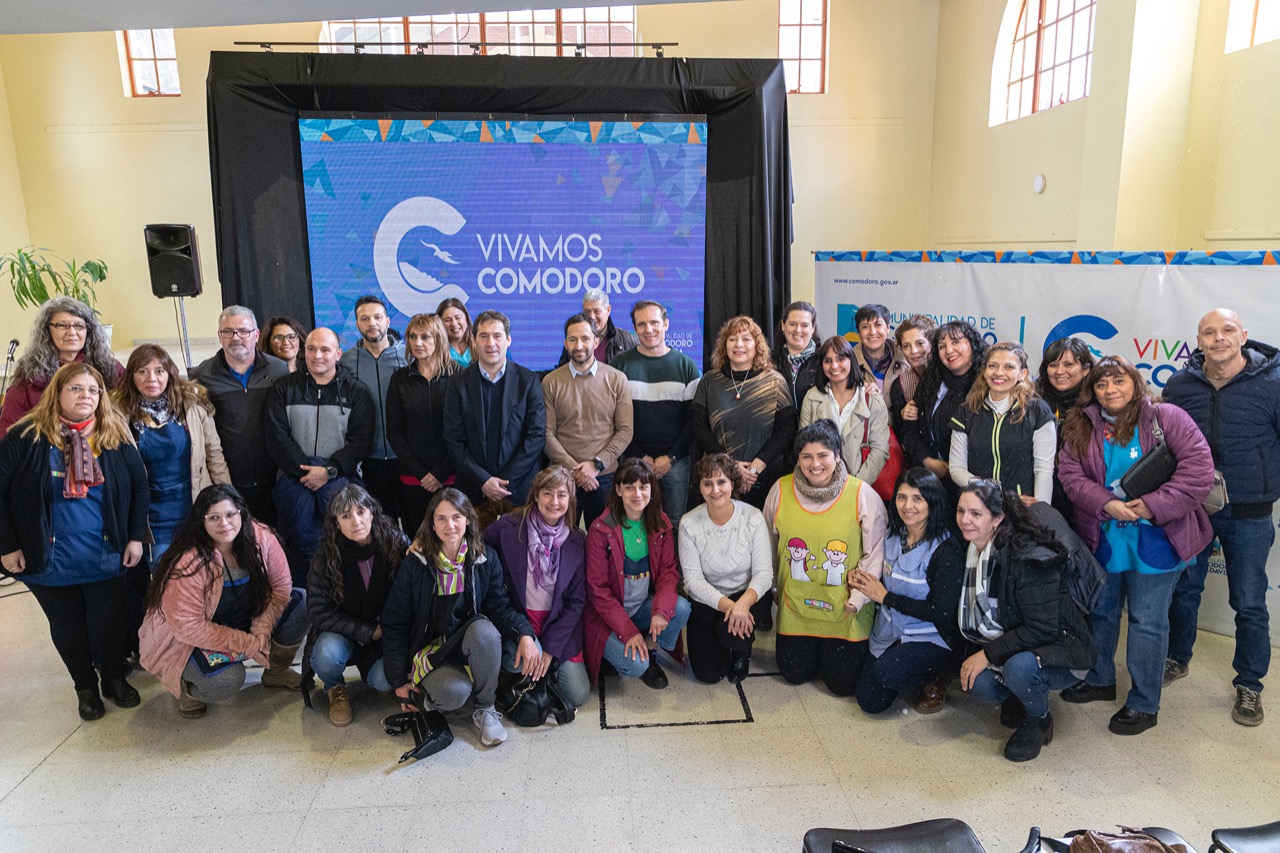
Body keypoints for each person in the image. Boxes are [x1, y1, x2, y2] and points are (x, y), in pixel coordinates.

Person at [1056, 356, 1213, 735]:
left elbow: (1198, 471)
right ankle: (1100, 679)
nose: (1110, 390)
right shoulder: (1082, 424)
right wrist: (1105, 503)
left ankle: (1144, 703)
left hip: (1157, 539)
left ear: (1135, 383)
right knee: (1102, 613)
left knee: (1147, 621)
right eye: (1101, 384)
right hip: (1104, 537)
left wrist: (1152, 505)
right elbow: (1070, 474)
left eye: (1118, 381)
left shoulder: (1167, 418)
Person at [0, 362, 147, 720]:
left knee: (110, 622)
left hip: (105, 551)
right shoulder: (26, 437)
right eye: (76, 389)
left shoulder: (113, 435)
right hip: (46, 555)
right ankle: (85, 688)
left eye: (94, 390)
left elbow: (139, 486)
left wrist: (135, 538)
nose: (86, 396)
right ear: (57, 393)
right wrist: (7, 546)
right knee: (67, 625)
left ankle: (113, 678)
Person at [1163, 308, 1280, 727]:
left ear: (1243, 335)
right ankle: (1177, 657)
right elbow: (1166, 445)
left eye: (1227, 330)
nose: (1219, 338)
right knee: (1184, 590)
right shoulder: (1180, 386)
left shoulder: (1272, 383)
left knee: (1249, 602)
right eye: (1209, 332)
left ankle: (1250, 684)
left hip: (1250, 511)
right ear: (1198, 341)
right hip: (1192, 509)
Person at [382, 488, 538, 754]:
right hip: (432, 650)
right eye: (441, 518)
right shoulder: (416, 564)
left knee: (485, 632)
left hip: (469, 641)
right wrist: (398, 680)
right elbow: (395, 622)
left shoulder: (484, 558)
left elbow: (499, 607)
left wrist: (525, 633)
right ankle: (433, 693)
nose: (450, 525)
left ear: (468, 519)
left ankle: (486, 708)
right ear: (432, 524)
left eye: (456, 517)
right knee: (453, 695)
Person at [139, 484, 308, 718]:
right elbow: (189, 627)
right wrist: (247, 643)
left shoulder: (262, 537)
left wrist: (262, 628)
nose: (225, 523)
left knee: (302, 603)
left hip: (246, 620)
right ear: (201, 521)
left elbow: (280, 588)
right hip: (192, 641)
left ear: (241, 513)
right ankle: (186, 689)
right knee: (228, 680)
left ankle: (276, 672)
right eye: (214, 517)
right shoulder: (188, 561)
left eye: (230, 514)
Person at [953, 480, 1093, 762]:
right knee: (978, 683)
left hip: (1064, 650)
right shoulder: (974, 549)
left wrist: (987, 654)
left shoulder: (1028, 558)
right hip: (1023, 643)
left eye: (976, 513)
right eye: (961, 511)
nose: (965, 520)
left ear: (997, 519)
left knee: (1019, 669)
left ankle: (1038, 719)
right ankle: (1021, 695)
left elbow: (1042, 630)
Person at [763, 420, 887, 695]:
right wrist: (772, 587)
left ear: (837, 456)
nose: (815, 464)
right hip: (796, 609)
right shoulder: (780, 490)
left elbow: (875, 553)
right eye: (806, 456)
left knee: (842, 685)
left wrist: (858, 598)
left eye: (823, 455)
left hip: (846, 611)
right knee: (793, 673)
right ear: (798, 459)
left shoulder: (862, 495)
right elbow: (768, 546)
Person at [851, 467, 966, 714]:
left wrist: (886, 597)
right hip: (890, 629)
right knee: (869, 700)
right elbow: (874, 569)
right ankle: (902, 666)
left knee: (887, 673)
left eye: (917, 499)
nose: (907, 506)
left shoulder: (946, 549)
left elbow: (941, 613)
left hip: (930, 636)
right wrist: (857, 576)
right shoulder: (893, 534)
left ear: (932, 502)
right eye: (902, 497)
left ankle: (936, 676)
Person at [265, 327, 374, 583]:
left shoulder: (356, 392)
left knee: (344, 530)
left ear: (338, 354)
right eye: (311, 349)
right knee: (302, 534)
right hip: (294, 476)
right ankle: (320, 582)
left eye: (325, 350)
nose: (317, 356)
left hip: (339, 476)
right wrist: (307, 471)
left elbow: (360, 441)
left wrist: (328, 471)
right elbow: (276, 437)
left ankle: (345, 584)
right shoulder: (283, 388)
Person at [482, 466, 592, 707]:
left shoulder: (577, 539)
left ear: (570, 499)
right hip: (520, 621)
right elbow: (477, 545)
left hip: (557, 626)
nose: (554, 502)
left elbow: (576, 602)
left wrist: (550, 649)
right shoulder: (509, 526)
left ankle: (540, 671)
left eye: (561, 495)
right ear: (536, 495)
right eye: (547, 494)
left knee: (578, 694)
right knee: (521, 660)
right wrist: (424, 542)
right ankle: (521, 672)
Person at [114, 344, 231, 562]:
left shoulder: (193, 406)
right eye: (142, 371)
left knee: (204, 573)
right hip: (152, 522)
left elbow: (214, 455)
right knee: (165, 576)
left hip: (196, 511)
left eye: (159, 371)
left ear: (169, 374)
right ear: (131, 377)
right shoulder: (117, 415)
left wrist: (228, 500)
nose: (152, 378)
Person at [303, 484, 406, 726]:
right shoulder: (326, 555)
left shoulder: (395, 542)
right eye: (346, 516)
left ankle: (370, 669)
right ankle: (335, 687)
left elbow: (410, 592)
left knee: (385, 681)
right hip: (342, 631)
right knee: (326, 655)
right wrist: (367, 631)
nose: (356, 521)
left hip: (384, 631)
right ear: (336, 522)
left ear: (372, 512)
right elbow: (318, 611)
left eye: (361, 512)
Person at [583, 458, 691, 688]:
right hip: (607, 616)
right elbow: (598, 591)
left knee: (681, 608)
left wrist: (660, 611)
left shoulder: (660, 523)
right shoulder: (600, 530)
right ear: (618, 490)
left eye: (643, 487)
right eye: (629, 487)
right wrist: (627, 631)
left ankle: (649, 649)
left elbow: (668, 573)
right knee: (635, 666)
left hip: (640, 608)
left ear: (652, 489)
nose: (637, 494)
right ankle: (613, 652)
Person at [442, 310, 546, 528]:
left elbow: (536, 437)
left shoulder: (528, 380)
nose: (491, 343)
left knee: (520, 549)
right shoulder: (458, 383)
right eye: (484, 336)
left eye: (497, 336)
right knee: (474, 548)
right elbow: (453, 440)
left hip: (519, 492)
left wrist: (504, 483)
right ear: (474, 341)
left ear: (508, 340)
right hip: (474, 491)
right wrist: (483, 480)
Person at [678, 454, 773, 684]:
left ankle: (741, 651)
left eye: (721, 482)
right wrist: (731, 608)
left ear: (732, 483)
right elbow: (693, 581)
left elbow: (764, 574)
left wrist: (742, 604)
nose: (715, 490)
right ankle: (723, 638)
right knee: (708, 674)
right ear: (700, 487)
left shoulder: (753, 517)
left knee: (732, 634)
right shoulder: (688, 523)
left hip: (746, 595)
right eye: (707, 483)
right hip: (708, 597)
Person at [190, 306, 289, 523]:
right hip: (229, 480)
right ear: (219, 336)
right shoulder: (202, 375)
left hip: (275, 479)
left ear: (256, 335)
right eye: (228, 331)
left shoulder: (279, 370)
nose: (236, 338)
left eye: (243, 331)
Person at [612, 299, 701, 527]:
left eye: (654, 322)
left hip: (676, 464)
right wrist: (638, 457)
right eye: (641, 324)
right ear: (634, 328)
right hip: (633, 460)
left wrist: (671, 458)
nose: (648, 329)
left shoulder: (686, 366)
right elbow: (614, 419)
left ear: (666, 324)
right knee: (633, 522)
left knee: (674, 524)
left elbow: (693, 421)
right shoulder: (619, 366)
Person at [692, 315, 796, 509]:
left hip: (765, 477)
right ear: (724, 345)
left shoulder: (775, 381)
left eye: (746, 339)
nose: (739, 344)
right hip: (719, 478)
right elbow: (699, 427)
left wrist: (754, 468)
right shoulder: (709, 381)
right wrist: (731, 466)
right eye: (733, 339)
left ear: (757, 346)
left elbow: (786, 429)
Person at [542, 313, 634, 527]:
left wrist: (596, 465)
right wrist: (575, 470)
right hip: (563, 478)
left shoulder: (617, 379)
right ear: (565, 343)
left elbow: (625, 430)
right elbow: (546, 434)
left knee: (605, 540)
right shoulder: (551, 382)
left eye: (585, 339)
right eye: (572, 340)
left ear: (596, 341)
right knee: (560, 540)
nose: (579, 346)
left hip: (605, 477)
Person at [949, 342, 1057, 505]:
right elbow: (957, 469)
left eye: (1009, 367)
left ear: (1022, 374)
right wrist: (993, 493)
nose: (999, 372)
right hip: (980, 505)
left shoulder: (1037, 411)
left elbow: (1044, 470)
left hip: (1022, 508)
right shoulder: (967, 411)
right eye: (993, 366)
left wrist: (1040, 508)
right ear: (984, 372)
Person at [0, 296, 124, 436]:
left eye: (79, 326)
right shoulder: (29, 373)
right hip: (44, 445)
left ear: (88, 331)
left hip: (100, 442)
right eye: (62, 325)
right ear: (47, 330)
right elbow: (7, 431)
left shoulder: (107, 366)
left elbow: (132, 401)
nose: (72, 332)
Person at [338, 295, 409, 527]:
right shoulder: (346, 361)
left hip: (406, 456)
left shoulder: (408, 356)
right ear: (357, 324)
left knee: (414, 523)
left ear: (387, 321)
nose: (372, 324)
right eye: (365, 319)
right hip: (369, 459)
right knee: (381, 524)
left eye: (377, 317)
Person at [386, 313, 458, 533]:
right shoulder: (399, 379)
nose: (417, 343)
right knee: (417, 538)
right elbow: (394, 431)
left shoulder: (459, 376)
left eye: (425, 337)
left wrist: (440, 473)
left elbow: (466, 431)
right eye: (413, 336)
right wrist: (421, 474)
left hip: (451, 476)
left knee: (451, 536)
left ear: (438, 339)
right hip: (412, 478)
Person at [899, 321, 987, 495]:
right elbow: (909, 430)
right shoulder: (932, 380)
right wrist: (928, 461)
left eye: (955, 342)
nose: (949, 350)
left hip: (974, 487)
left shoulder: (988, 385)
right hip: (932, 480)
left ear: (972, 344)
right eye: (942, 346)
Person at [799, 335, 891, 486]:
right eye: (828, 361)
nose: (834, 366)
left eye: (840, 359)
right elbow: (804, 445)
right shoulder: (811, 397)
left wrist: (855, 486)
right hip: (819, 485)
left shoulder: (872, 401)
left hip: (859, 485)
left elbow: (880, 450)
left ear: (851, 361)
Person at [1036, 337, 1096, 525]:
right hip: (1039, 494)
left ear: (1085, 370)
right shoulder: (1032, 400)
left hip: (1081, 502)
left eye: (1068, 364)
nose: (1060, 371)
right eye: (1053, 365)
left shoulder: (1097, 406)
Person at [556, 288, 638, 367]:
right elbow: (563, 371)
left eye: (597, 311)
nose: (592, 317)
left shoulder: (627, 340)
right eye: (587, 312)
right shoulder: (575, 340)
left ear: (608, 310)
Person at [887, 314, 936, 430]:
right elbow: (898, 427)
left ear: (932, 343)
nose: (913, 351)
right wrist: (902, 414)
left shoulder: (947, 375)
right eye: (906, 346)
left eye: (920, 343)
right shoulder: (900, 384)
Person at [774, 301, 822, 410]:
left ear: (813, 329)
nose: (798, 330)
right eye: (792, 324)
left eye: (804, 325)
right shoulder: (769, 361)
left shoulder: (824, 361)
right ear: (783, 326)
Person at [852, 303, 910, 393]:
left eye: (878, 324)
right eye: (865, 327)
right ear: (859, 333)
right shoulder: (848, 362)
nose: (872, 332)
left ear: (888, 328)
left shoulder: (906, 357)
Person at [436, 297, 474, 368]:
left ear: (466, 319)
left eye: (457, 318)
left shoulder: (479, 345)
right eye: (447, 320)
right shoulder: (435, 352)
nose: (454, 324)